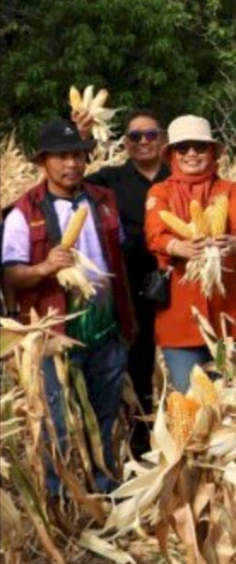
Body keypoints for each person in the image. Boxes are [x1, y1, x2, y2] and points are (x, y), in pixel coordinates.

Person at [2, 119, 136, 493]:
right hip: (53, 334)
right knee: (56, 422)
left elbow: (117, 256)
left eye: (77, 155)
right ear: (42, 163)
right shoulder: (22, 213)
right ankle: (58, 497)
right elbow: (11, 275)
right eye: (61, 157)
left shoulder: (103, 201)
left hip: (104, 330)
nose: (71, 164)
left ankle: (104, 493)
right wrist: (45, 267)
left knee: (104, 418)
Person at [77, 108, 170, 454]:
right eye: (135, 136)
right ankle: (139, 444)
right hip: (131, 287)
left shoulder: (177, 176)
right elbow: (72, 180)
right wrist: (82, 136)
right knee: (139, 365)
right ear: (126, 143)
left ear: (162, 140)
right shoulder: (110, 179)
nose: (143, 141)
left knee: (186, 364)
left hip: (176, 280)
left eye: (150, 135)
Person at [144, 115, 236, 392]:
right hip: (181, 324)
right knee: (191, 396)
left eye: (199, 146)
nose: (192, 153)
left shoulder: (229, 190)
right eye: (183, 148)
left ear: (211, 152)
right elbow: (155, 233)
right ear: (172, 154)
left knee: (224, 393)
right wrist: (178, 247)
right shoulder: (160, 191)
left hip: (224, 325)